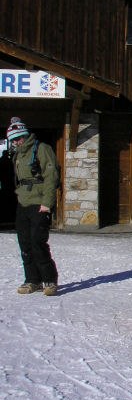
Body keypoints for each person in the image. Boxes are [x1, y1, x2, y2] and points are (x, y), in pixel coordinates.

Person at [6, 117, 59, 296]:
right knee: (25, 244)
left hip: (39, 203)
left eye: (18, 138)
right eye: (13, 140)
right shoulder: (18, 154)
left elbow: (51, 176)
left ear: (25, 135)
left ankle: (49, 280)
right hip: (23, 202)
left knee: (38, 243)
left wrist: (47, 203)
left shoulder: (41, 149)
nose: (16, 142)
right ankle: (32, 280)